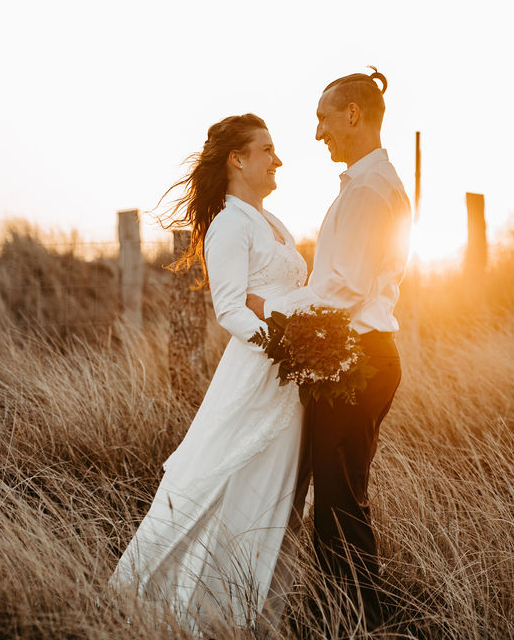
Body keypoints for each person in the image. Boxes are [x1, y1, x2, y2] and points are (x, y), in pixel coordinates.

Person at [109, 114, 310, 636]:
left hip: (291, 375)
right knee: (228, 476)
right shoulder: (229, 224)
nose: (278, 159)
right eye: (267, 150)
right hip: (261, 370)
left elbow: (278, 297)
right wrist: (286, 342)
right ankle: (189, 610)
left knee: (274, 484)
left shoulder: (275, 224)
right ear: (237, 159)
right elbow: (229, 311)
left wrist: (303, 329)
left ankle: (253, 606)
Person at [247, 68, 412, 631]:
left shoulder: (368, 190)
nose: (318, 133)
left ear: (353, 114)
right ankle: (356, 620)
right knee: (343, 504)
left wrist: (271, 308)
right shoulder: (368, 183)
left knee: (339, 514)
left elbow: (344, 287)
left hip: (359, 361)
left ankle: (362, 624)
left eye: (322, 118)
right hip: (359, 356)